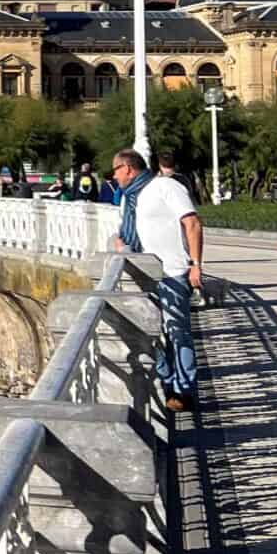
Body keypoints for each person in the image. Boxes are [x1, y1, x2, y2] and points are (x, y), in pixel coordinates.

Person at [113, 146, 204, 410]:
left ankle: (182, 391)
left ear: (128, 168)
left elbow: (192, 224)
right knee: (145, 333)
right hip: (140, 273)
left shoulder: (165, 187)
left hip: (172, 272)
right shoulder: (128, 198)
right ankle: (167, 378)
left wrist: (196, 264)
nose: (114, 176)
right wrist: (121, 242)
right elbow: (127, 230)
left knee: (177, 332)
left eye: (115, 170)